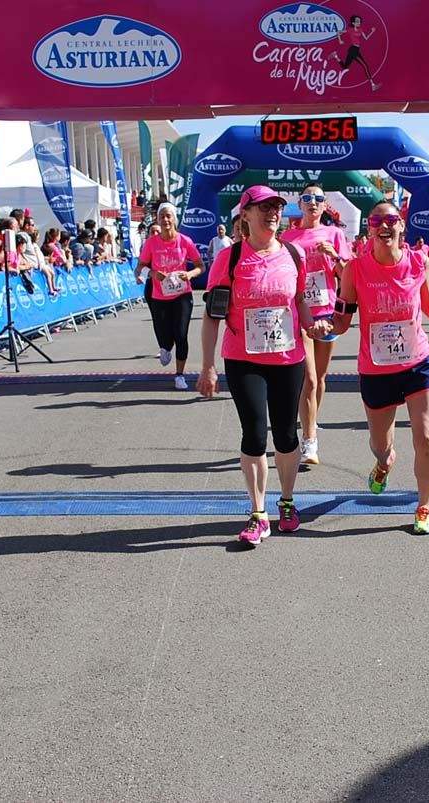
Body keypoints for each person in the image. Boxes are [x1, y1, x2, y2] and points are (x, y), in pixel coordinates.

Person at [197, 186, 330, 545]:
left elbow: (299, 298)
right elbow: (212, 316)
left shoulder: (294, 253)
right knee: (254, 433)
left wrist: (310, 323)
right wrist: (208, 366)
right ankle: (258, 513)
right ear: (245, 216)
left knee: (287, 434)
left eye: (276, 206)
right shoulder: (230, 258)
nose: (272, 212)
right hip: (244, 358)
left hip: (288, 357)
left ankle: (286, 502)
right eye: (263, 207)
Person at [331, 201, 429, 534]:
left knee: (426, 437)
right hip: (376, 369)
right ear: (370, 228)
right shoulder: (355, 269)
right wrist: (317, 323)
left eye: (391, 219)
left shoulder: (418, 262)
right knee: (380, 443)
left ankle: (424, 506)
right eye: (377, 219)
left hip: (418, 363)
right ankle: (384, 462)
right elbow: (342, 320)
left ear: (402, 226)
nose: (385, 225)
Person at [280, 183, 352, 466]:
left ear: (324, 206)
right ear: (300, 204)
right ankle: (310, 441)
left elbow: (348, 276)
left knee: (319, 379)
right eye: (307, 198)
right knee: (308, 378)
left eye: (318, 199)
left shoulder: (335, 234)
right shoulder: (288, 236)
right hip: (300, 313)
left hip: (327, 313)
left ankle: (310, 419)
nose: (313, 202)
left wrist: (333, 257)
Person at [137, 202, 203, 390]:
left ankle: (180, 375)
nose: (165, 220)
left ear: (174, 219)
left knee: (181, 335)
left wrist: (190, 274)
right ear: (158, 220)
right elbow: (139, 268)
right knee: (164, 336)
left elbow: (201, 265)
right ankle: (165, 348)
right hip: (159, 297)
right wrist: (152, 274)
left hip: (182, 294)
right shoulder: (151, 243)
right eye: (162, 217)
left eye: (168, 216)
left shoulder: (185, 241)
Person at [329, 15, 379, 90]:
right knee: (365, 66)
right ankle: (373, 85)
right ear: (353, 23)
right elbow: (339, 32)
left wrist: (372, 32)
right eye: (357, 21)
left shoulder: (361, 30)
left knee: (345, 67)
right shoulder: (350, 30)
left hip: (356, 50)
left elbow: (366, 38)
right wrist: (340, 40)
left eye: (359, 21)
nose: (359, 23)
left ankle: (336, 56)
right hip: (353, 50)